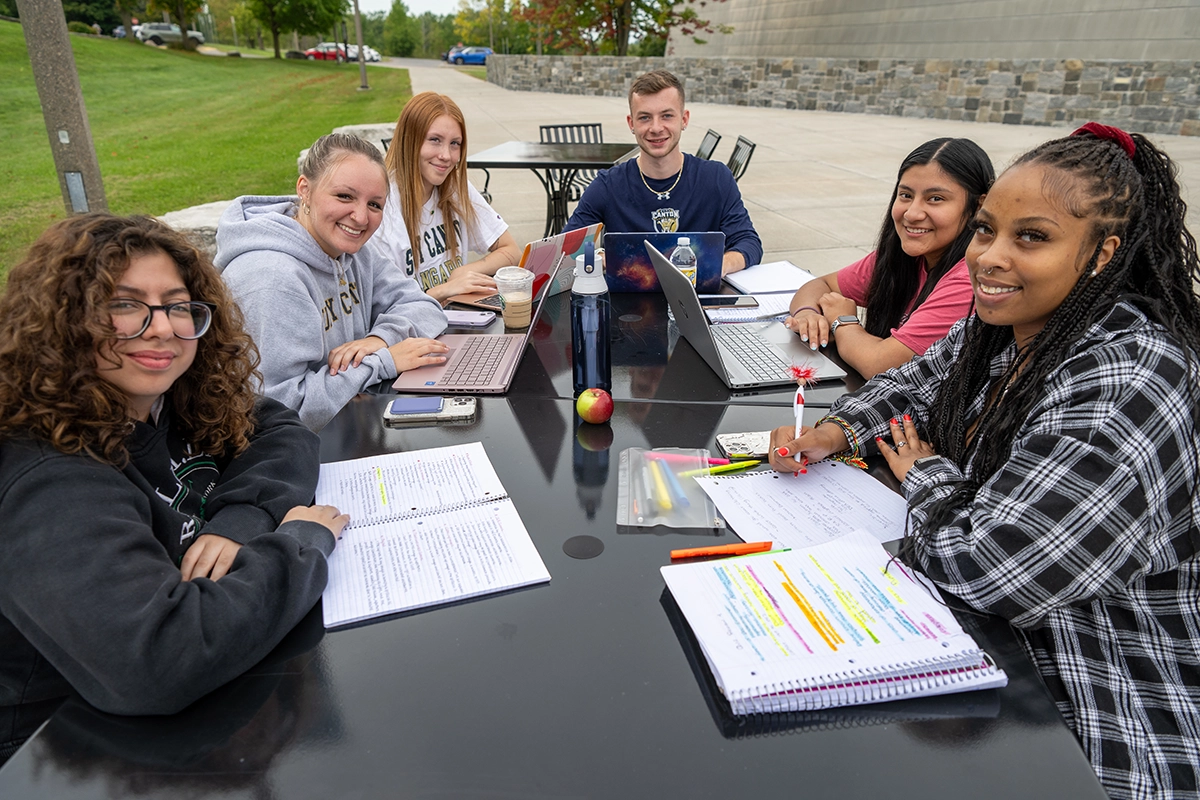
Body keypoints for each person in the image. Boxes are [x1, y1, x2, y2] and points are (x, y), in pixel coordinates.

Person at [769, 124, 1200, 799]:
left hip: (1094, 684)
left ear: (1099, 254)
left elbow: (992, 567)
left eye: (1031, 236)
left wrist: (927, 475)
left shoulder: (1128, 377)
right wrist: (832, 432)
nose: (990, 259)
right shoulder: (1008, 321)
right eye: (986, 230)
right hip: (973, 630)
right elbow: (914, 382)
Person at [0, 214, 348, 764]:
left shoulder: (173, 395)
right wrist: (300, 542)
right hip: (61, 745)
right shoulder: (48, 476)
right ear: (65, 320)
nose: (161, 328)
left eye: (176, 305)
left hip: (190, 706)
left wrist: (244, 519)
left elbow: (283, 432)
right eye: (124, 305)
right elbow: (159, 660)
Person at [216, 133, 449, 432]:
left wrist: (378, 340)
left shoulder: (354, 253)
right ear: (305, 189)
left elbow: (423, 306)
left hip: (351, 427)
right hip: (290, 453)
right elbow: (278, 411)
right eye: (344, 196)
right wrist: (383, 361)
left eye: (375, 205)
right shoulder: (272, 278)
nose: (361, 217)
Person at [785, 138, 993, 378]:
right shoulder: (904, 256)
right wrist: (807, 315)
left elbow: (879, 364)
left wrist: (842, 321)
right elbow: (819, 285)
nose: (912, 213)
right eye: (905, 195)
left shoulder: (969, 280)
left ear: (979, 207)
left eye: (935, 198)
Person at [565, 69, 762, 276]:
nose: (656, 128)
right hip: (628, 306)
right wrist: (597, 258)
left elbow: (749, 243)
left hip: (701, 301)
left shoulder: (716, 178)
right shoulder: (608, 185)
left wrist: (719, 265)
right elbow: (566, 251)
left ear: (684, 119)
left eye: (667, 116)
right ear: (631, 124)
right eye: (644, 118)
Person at [371, 92, 521, 304]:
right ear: (409, 140)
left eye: (455, 144)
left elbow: (511, 250)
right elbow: (383, 309)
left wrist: (465, 271)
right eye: (435, 140)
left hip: (458, 320)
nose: (446, 156)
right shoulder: (380, 207)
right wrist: (444, 290)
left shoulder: (455, 188)